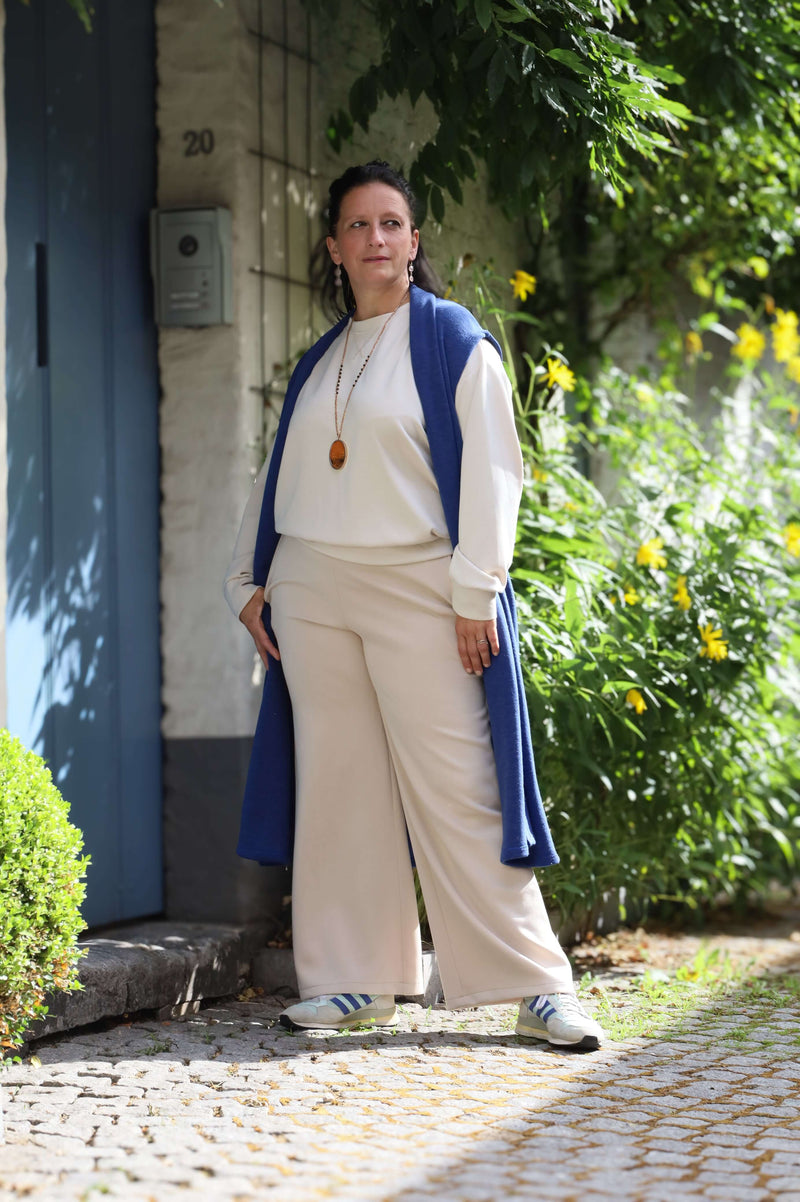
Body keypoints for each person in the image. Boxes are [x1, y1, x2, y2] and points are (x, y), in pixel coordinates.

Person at [225, 160, 603, 1051]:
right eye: (359, 226)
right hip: (315, 591)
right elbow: (275, 474)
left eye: (392, 223)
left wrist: (476, 590)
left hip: (421, 585)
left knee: (461, 784)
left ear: (413, 240)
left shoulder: (452, 340)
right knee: (340, 788)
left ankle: (538, 985)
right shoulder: (319, 361)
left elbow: (495, 473)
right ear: (334, 248)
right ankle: (355, 981)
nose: (377, 239)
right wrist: (246, 584)